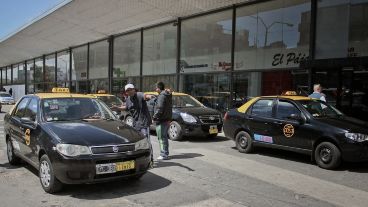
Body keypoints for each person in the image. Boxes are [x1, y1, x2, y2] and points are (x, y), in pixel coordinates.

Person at [111, 84, 153, 162]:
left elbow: (145, 95)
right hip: (136, 124)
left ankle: (150, 159)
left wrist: (149, 97)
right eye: (127, 90)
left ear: (134, 89)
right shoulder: (128, 99)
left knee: (146, 141)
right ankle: (140, 158)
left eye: (130, 89)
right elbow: (126, 107)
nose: (129, 92)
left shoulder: (139, 95)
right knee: (137, 142)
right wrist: (117, 108)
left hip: (144, 123)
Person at [152, 82, 172, 160]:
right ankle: (165, 153)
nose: (155, 89)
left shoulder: (162, 96)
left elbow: (159, 108)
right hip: (166, 119)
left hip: (161, 120)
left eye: (156, 88)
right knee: (164, 137)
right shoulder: (167, 95)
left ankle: (163, 154)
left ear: (158, 88)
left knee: (161, 138)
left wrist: (154, 117)